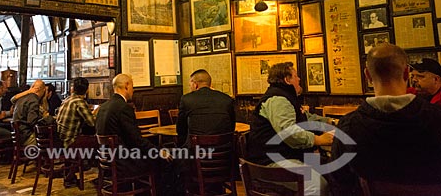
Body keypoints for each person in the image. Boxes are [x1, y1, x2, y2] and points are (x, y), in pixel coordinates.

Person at [331, 44, 441, 192]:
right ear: (406, 73)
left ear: (368, 76)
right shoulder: (436, 118)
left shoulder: (348, 128)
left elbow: (341, 183)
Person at [247, 62, 334, 196]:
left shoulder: (285, 97)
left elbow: (306, 117)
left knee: (333, 170)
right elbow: (288, 133)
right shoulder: (278, 99)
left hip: (285, 154)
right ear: (287, 80)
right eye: (295, 76)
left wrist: (330, 121)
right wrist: (318, 140)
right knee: (317, 185)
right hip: (270, 161)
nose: (299, 79)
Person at [96, 73, 171, 179]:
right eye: (132, 86)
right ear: (126, 86)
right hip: (124, 163)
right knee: (164, 160)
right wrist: (158, 151)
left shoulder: (102, 107)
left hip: (106, 161)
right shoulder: (124, 108)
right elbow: (137, 140)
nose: (133, 90)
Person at [176, 69, 235, 147]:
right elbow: (232, 127)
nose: (190, 87)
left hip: (197, 151)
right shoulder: (227, 99)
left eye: (190, 85)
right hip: (224, 150)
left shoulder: (187, 99)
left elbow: (180, 129)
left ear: (195, 84)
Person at [56, 77, 95, 148]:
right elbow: (92, 123)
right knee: (97, 141)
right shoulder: (79, 102)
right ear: (87, 90)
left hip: (60, 140)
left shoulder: (67, 99)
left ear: (73, 89)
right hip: (71, 142)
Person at [12, 80, 46, 146]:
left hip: (18, 135)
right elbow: (32, 121)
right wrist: (45, 119)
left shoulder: (21, 98)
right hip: (26, 137)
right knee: (49, 138)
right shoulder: (34, 100)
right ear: (43, 90)